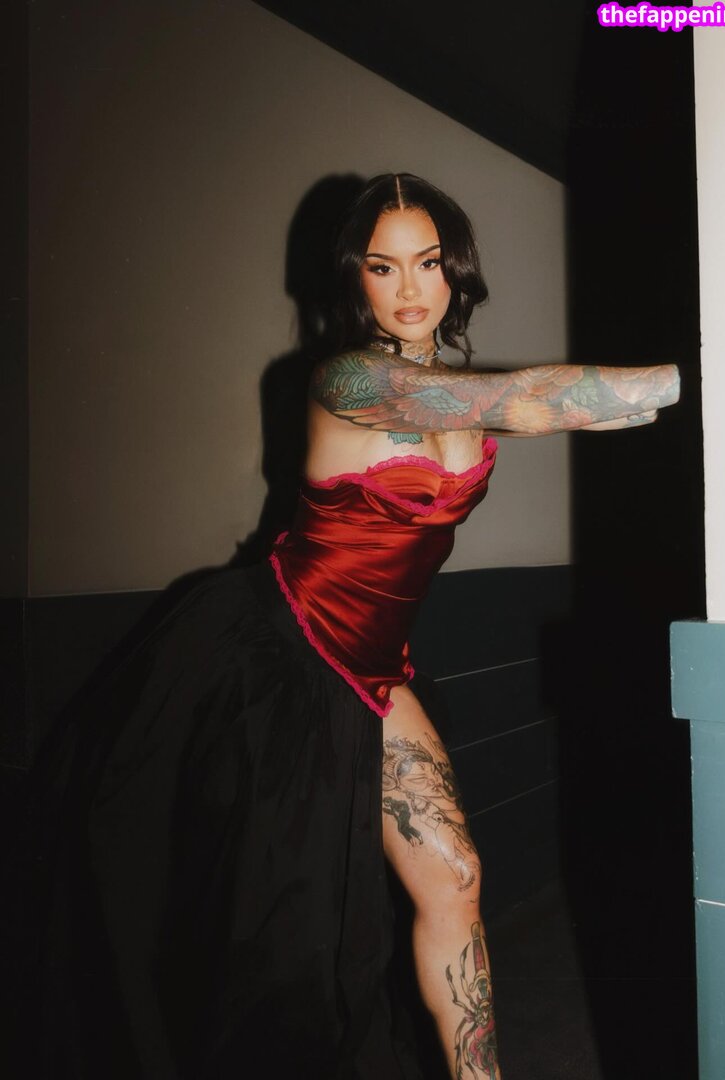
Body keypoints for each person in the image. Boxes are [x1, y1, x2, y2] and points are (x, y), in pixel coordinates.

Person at [23, 173, 679, 1080]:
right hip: (283, 660)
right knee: (278, 959)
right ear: (355, 277)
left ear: (455, 270)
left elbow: (564, 406)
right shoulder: (350, 380)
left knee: (455, 878)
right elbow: (531, 398)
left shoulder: (453, 391)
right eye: (382, 266)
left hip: (374, 667)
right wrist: (689, 374)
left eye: (428, 263)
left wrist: (659, 396)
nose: (408, 288)